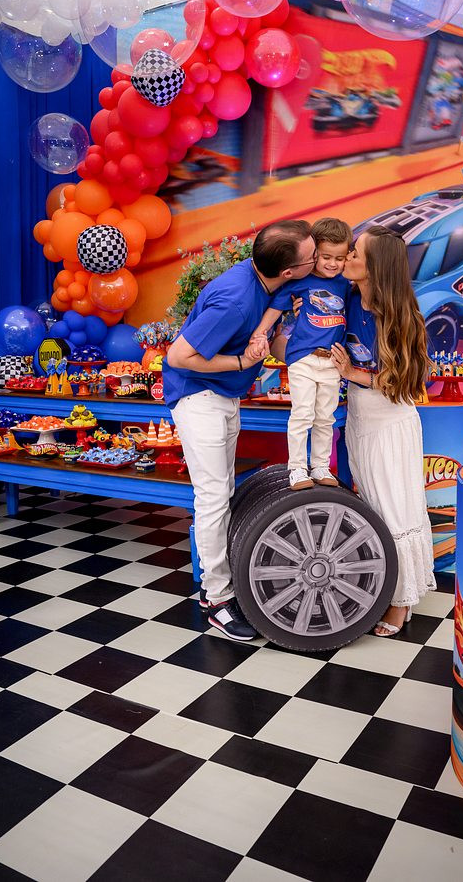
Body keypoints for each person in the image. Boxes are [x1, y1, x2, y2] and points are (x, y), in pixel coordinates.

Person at [163, 220, 316, 641]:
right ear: (289, 270)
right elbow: (178, 356)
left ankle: (223, 584)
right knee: (212, 499)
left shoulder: (268, 282)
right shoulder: (233, 300)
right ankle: (216, 598)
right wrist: (241, 363)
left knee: (223, 492)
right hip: (198, 397)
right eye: (312, 257)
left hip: (223, 396)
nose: (318, 259)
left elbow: (277, 322)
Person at [330, 225, 436, 636]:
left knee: (395, 510)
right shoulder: (347, 297)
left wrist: (351, 372)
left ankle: (401, 600)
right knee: (373, 506)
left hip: (391, 423)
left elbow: (407, 383)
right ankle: (388, 587)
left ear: (375, 266)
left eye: (355, 253)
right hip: (359, 418)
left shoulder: (400, 314)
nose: (347, 258)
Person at [250, 218, 352, 490]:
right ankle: (297, 468)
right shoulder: (300, 283)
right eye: (326, 257)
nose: (332, 264)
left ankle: (320, 466)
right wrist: (260, 332)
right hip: (303, 358)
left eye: (339, 258)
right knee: (302, 414)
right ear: (314, 254)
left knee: (325, 417)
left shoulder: (344, 284)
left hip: (332, 361)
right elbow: (275, 309)